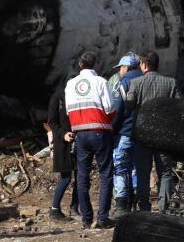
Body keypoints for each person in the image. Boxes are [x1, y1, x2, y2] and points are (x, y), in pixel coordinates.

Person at [65, 51, 115, 229]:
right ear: (96, 64)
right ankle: (102, 218)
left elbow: (68, 111)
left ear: (80, 65)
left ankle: (86, 220)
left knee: (82, 177)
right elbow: (109, 107)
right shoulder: (101, 82)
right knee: (105, 175)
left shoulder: (70, 85)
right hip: (100, 132)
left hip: (80, 134)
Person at [126, 51, 180, 213]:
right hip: (164, 136)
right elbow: (179, 108)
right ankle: (164, 209)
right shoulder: (171, 83)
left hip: (142, 135)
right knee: (165, 173)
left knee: (143, 173)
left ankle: (144, 208)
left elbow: (128, 107)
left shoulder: (136, 83)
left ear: (143, 64)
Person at [110, 54, 142, 219]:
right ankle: (136, 203)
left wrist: (111, 129)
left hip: (124, 133)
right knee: (137, 168)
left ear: (125, 68)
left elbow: (116, 111)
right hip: (142, 136)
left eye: (120, 68)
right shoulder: (145, 81)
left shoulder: (123, 84)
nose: (119, 72)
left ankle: (122, 207)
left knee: (121, 168)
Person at [45, 82, 78, 221]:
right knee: (66, 177)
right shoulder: (58, 98)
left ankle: (75, 208)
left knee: (81, 176)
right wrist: (63, 134)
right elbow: (51, 122)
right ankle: (55, 209)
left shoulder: (78, 96)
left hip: (79, 140)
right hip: (62, 142)